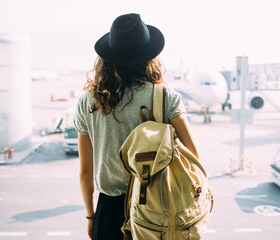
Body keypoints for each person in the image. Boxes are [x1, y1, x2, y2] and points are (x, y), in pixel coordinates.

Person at [74, 13, 200, 240]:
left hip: (109, 210)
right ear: (149, 57)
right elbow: (194, 155)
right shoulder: (165, 97)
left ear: (107, 58)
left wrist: (91, 216)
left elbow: (85, 171)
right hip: (157, 208)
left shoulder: (88, 101)